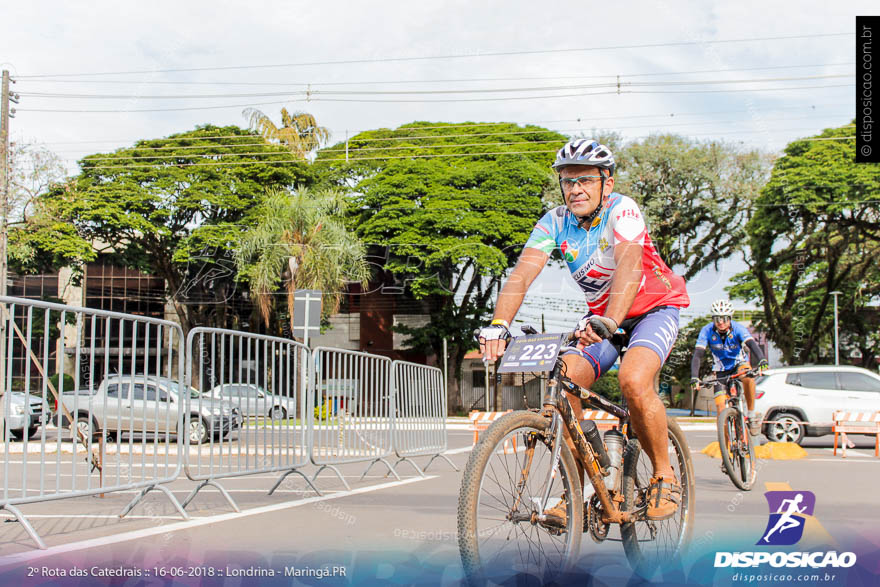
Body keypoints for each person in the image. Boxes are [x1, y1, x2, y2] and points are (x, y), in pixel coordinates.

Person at [477, 138, 690, 521]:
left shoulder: (622, 211)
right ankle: (580, 488)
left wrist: (609, 320)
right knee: (566, 381)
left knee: (634, 380)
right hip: (602, 319)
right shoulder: (554, 221)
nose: (575, 189)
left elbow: (629, 266)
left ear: (606, 182)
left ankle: (663, 472)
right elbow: (523, 272)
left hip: (652, 311)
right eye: (567, 181)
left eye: (585, 180)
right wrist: (497, 325)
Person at [690, 299, 769, 438]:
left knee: (748, 375)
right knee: (721, 410)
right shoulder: (706, 331)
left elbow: (752, 344)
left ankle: (750, 414)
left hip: (738, 364)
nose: (721, 322)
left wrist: (762, 359)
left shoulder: (738, 328)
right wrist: (694, 376)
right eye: (717, 318)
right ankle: (726, 453)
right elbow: (698, 355)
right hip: (720, 370)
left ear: (730, 318)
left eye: (724, 318)